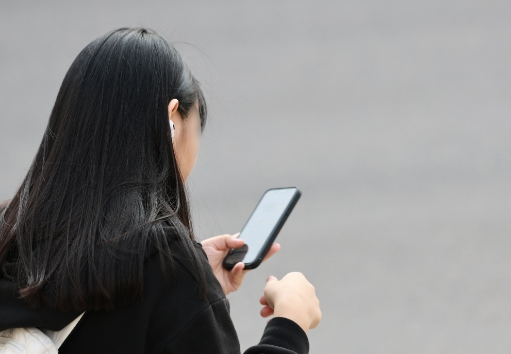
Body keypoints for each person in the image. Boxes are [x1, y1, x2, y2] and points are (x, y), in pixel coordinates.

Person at [0, 28, 322, 354]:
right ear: (172, 119)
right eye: (197, 128)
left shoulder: (10, 231)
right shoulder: (165, 263)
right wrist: (288, 325)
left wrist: (190, 287)